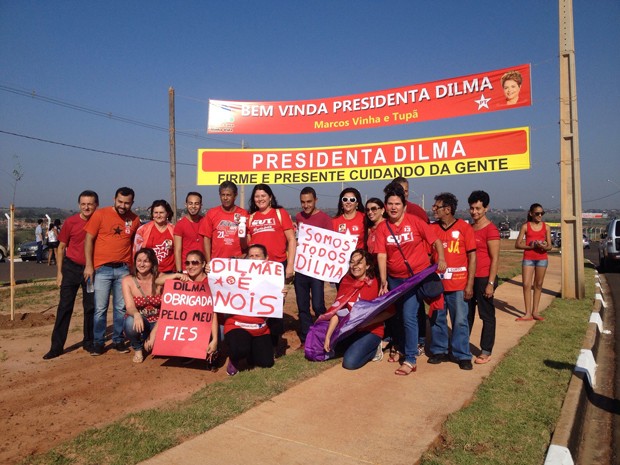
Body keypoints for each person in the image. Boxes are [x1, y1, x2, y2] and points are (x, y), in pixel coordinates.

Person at [375, 186, 446, 376]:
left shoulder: (415, 222)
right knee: (401, 316)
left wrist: (441, 258)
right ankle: (405, 349)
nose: (393, 207)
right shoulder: (382, 228)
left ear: (404, 206)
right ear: (385, 206)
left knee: (408, 315)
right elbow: (381, 255)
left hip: (417, 277)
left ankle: (410, 359)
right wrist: (383, 280)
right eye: (390, 204)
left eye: (397, 204)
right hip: (395, 280)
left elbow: (436, 241)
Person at [84, 187, 140, 356]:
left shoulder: (135, 219)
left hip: (123, 269)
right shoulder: (100, 214)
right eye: (120, 201)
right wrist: (89, 265)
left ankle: (118, 340)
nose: (123, 205)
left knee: (121, 308)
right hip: (102, 269)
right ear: (114, 199)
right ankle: (99, 342)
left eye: (127, 203)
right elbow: (89, 240)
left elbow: (135, 242)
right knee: (100, 308)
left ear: (132, 203)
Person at [43, 191, 99, 360]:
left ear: (96, 204)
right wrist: (59, 273)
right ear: (79, 205)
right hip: (71, 269)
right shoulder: (70, 222)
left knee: (90, 307)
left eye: (90, 204)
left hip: (91, 271)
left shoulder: (100, 221)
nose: (87, 207)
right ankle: (56, 346)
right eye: (83, 204)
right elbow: (61, 248)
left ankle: (88, 341)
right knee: (65, 307)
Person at [428, 192, 476, 371]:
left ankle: (462, 354)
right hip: (438, 285)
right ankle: (439, 350)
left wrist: (469, 283)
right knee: (437, 319)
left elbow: (472, 257)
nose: (434, 209)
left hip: (458, 285)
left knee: (460, 320)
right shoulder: (432, 229)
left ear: (447, 209)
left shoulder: (464, 228)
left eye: (437, 207)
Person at [324, 249, 394, 370]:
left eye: (359, 262)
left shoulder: (377, 284)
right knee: (325, 349)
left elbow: (391, 311)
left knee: (350, 363)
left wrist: (368, 322)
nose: (355, 266)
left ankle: (375, 349)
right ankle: (354, 345)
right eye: (352, 262)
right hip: (350, 329)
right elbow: (337, 311)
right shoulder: (346, 281)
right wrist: (328, 336)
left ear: (367, 266)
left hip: (371, 330)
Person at [246, 184, 296, 352]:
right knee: (257, 305)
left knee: (274, 306)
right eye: (257, 196)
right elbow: (247, 244)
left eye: (263, 195)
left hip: (277, 267)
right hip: (256, 270)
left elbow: (291, 240)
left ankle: (275, 344)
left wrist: (290, 265)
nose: (260, 199)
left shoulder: (280, 213)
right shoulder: (251, 217)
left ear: (270, 197)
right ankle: (260, 341)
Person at [223, 244, 278, 376]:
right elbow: (220, 277)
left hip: (260, 329)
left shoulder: (273, 278)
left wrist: (280, 294)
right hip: (237, 325)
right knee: (239, 349)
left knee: (266, 363)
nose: (253, 259)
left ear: (266, 259)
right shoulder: (236, 274)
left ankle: (251, 352)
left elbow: (274, 307)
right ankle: (234, 359)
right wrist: (210, 269)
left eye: (257, 256)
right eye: (251, 256)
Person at [157, 250, 218, 360]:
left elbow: (212, 314)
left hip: (207, 324)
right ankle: (188, 350)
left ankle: (205, 348)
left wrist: (215, 339)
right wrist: (176, 274)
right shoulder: (183, 278)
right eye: (187, 263)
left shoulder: (210, 281)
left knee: (220, 337)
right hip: (187, 324)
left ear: (203, 264)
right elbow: (158, 281)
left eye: (195, 263)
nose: (190, 266)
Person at [294, 186, 333, 345]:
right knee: (302, 306)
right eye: (303, 202)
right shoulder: (298, 217)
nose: (306, 205)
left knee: (318, 305)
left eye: (309, 201)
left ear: (316, 200)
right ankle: (306, 339)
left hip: (317, 270)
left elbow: (331, 243)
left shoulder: (325, 218)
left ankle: (322, 335)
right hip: (301, 268)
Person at [467, 191, 500, 364]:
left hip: (484, 277)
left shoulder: (491, 229)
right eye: (472, 208)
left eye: (478, 208)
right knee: (467, 314)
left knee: (486, 315)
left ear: (486, 208)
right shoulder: (469, 228)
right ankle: (462, 344)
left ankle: (486, 350)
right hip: (469, 278)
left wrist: (490, 283)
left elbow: (495, 258)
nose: (474, 212)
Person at [122, 248, 162, 363]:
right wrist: (136, 314)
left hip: (159, 322)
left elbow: (167, 309)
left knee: (160, 351)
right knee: (130, 321)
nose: (142, 264)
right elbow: (129, 306)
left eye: (146, 261)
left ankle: (152, 341)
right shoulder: (127, 280)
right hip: (141, 322)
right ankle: (138, 348)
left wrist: (154, 333)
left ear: (153, 263)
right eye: (139, 261)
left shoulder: (161, 278)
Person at [515, 203, 552, 321]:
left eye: (542, 213)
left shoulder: (546, 227)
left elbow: (550, 246)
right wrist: (531, 246)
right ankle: (527, 313)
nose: (540, 215)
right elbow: (518, 244)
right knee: (526, 284)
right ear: (531, 214)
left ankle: (535, 312)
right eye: (537, 213)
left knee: (538, 284)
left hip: (542, 258)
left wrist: (542, 246)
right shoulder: (525, 226)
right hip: (528, 258)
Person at [199, 181, 248, 263]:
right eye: (223, 195)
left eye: (228, 195)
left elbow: (248, 238)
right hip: (217, 262)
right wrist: (208, 261)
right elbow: (206, 239)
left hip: (237, 262)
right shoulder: (212, 213)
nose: (225, 198)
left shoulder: (243, 213)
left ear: (235, 196)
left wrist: (245, 254)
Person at [133, 199, 175, 273]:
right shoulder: (143, 229)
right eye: (156, 212)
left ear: (167, 214)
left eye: (161, 213)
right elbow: (136, 252)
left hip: (169, 272)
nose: (158, 215)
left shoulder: (174, 230)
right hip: (148, 272)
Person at [174, 192, 204, 272]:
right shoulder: (180, 224)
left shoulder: (206, 222)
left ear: (201, 205)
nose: (193, 206)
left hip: (202, 268)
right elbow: (177, 250)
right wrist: (179, 271)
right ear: (186, 204)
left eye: (196, 203)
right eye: (190, 203)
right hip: (186, 268)